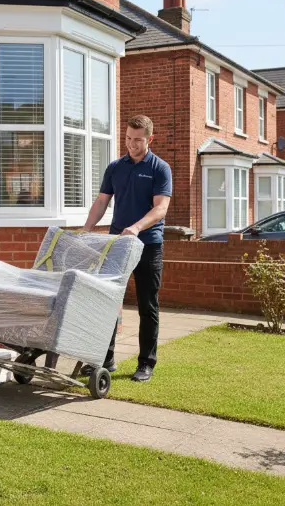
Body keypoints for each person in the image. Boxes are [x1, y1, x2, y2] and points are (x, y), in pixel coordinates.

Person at [82, 115, 172, 382]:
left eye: (137, 140)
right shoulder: (115, 167)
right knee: (108, 300)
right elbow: (101, 202)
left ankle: (146, 363)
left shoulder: (160, 168)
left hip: (148, 245)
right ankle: (106, 358)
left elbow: (161, 208)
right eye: (128, 139)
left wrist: (136, 227)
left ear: (149, 139)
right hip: (118, 245)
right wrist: (87, 229)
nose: (131, 145)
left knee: (148, 305)